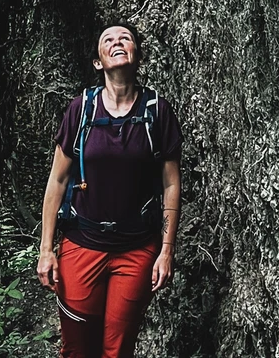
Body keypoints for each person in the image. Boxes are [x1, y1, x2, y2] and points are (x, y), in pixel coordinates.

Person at [37, 22, 183, 358]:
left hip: (136, 249)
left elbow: (171, 183)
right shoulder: (81, 110)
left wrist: (167, 249)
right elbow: (57, 181)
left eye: (126, 38)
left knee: (117, 349)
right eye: (108, 39)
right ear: (98, 62)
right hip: (81, 245)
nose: (117, 42)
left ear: (138, 56)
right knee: (77, 347)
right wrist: (47, 250)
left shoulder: (157, 112)